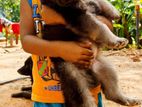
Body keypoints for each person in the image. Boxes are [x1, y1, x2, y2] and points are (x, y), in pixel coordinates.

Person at [20, 0, 113, 107]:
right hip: (47, 95)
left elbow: (109, 27)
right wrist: (61, 49)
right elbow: (26, 41)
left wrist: (66, 19)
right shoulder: (29, 1)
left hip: (89, 90)